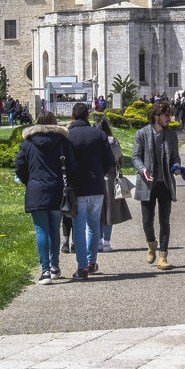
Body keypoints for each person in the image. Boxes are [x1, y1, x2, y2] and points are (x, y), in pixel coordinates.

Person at [15, 111, 76, 284]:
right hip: (57, 188)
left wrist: (30, 181)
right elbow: (72, 165)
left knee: (41, 229)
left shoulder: (27, 143)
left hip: (36, 188)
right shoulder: (63, 142)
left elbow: (19, 167)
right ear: (55, 123)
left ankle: (45, 270)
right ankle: (55, 266)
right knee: (54, 228)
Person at [66, 102, 114, 280]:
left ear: (72, 116)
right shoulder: (99, 134)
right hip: (96, 185)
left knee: (78, 226)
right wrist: (99, 172)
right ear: (88, 116)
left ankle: (82, 268)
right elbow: (109, 160)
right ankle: (91, 262)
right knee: (93, 225)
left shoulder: (68, 136)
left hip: (76, 186)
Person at [132, 100, 180, 270]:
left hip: (165, 182)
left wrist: (176, 167)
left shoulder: (171, 135)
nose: (170, 118)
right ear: (156, 116)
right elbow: (135, 156)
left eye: (170, 115)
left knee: (165, 220)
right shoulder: (142, 134)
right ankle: (151, 243)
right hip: (148, 183)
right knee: (147, 221)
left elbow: (175, 156)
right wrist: (143, 169)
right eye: (167, 115)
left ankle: (163, 256)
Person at [97, 115, 124, 251]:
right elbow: (119, 159)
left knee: (98, 211)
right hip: (111, 176)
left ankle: (99, 240)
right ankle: (107, 242)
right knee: (110, 210)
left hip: (97, 177)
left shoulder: (95, 141)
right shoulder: (114, 142)